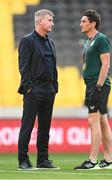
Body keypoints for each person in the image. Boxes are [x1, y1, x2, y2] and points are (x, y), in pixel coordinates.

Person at [74, 9, 112, 170]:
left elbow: (106, 64)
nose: (81, 24)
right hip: (92, 85)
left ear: (93, 23)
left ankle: (92, 161)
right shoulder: (88, 41)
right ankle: (108, 160)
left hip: (98, 85)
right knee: (102, 121)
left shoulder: (101, 39)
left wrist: (98, 85)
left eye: (84, 21)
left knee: (93, 121)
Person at [17, 9, 59, 170]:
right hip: (33, 89)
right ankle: (23, 160)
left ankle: (43, 159)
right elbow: (23, 66)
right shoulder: (27, 41)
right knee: (27, 126)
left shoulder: (51, 42)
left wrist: (54, 86)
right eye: (49, 20)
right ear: (40, 21)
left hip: (49, 89)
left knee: (45, 128)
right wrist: (28, 87)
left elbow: (53, 66)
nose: (52, 23)